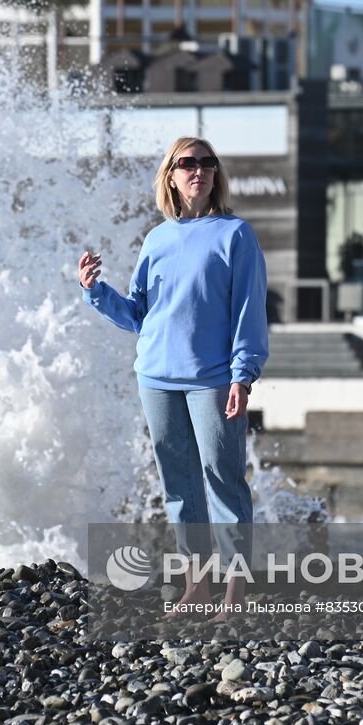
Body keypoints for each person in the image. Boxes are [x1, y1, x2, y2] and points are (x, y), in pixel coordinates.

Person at [77, 136, 268, 623]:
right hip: (156, 378)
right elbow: (139, 315)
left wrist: (243, 376)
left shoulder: (236, 234)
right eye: (187, 163)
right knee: (179, 486)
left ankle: (234, 595)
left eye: (207, 162)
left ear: (215, 174)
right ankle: (195, 588)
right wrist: (95, 291)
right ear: (171, 176)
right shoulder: (156, 239)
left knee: (223, 479)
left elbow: (249, 312)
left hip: (213, 379)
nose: (198, 169)